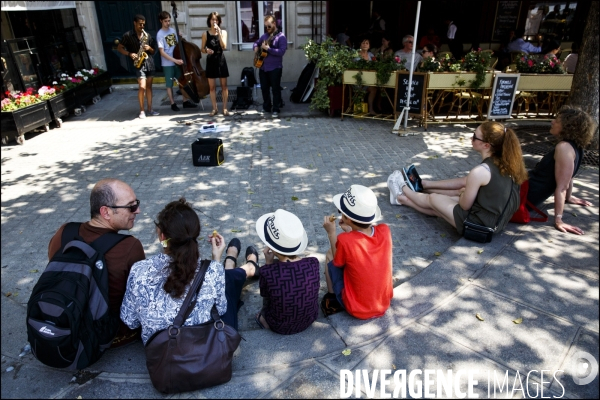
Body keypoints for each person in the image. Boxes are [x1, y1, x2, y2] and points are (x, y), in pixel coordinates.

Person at [120, 198, 259, 345]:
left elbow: (130, 321)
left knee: (224, 279)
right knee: (227, 287)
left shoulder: (138, 271)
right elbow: (221, 308)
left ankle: (240, 265)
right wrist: (216, 259)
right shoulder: (212, 270)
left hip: (162, 360)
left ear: (162, 237)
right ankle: (240, 265)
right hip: (206, 354)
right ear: (195, 235)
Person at [48, 179, 146, 347]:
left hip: (65, 319)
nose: (137, 210)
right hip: (110, 334)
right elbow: (141, 296)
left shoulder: (64, 232)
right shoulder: (130, 246)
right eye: (131, 206)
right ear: (106, 212)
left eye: (136, 204)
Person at [389, 122, 527, 237]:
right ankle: (403, 199)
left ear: (487, 145)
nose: (471, 139)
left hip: (477, 226)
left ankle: (402, 187)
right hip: (494, 223)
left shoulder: (480, 171)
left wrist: (462, 193)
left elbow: (465, 205)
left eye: (474, 137)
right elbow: (466, 182)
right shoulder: (507, 163)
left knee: (434, 199)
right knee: (441, 206)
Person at [321, 185, 393, 320]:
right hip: (383, 303)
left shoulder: (344, 240)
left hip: (357, 308)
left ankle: (332, 300)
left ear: (347, 219)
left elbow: (338, 262)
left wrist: (332, 233)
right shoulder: (385, 230)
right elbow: (361, 244)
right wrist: (351, 231)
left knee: (330, 254)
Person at [527, 106, 595, 235]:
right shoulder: (576, 146)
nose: (552, 122)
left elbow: (562, 187)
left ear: (568, 127)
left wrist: (558, 220)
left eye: (557, 121)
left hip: (526, 194)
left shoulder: (564, 147)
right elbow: (569, 176)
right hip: (528, 187)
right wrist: (569, 197)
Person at [253, 209, 320, 334]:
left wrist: (268, 264)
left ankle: (263, 321)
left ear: (271, 247)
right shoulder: (313, 263)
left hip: (281, 327)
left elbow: (266, 296)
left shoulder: (267, 272)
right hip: (310, 318)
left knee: (266, 307)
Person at [117, 14, 159, 119]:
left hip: (149, 63)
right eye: (140, 24)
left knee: (149, 87)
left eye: (143, 24)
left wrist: (149, 48)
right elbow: (119, 48)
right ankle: (142, 110)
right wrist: (129, 54)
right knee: (142, 86)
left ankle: (150, 109)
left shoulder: (147, 36)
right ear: (134, 23)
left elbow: (154, 51)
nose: (142, 26)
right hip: (138, 64)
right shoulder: (127, 35)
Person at [156, 11, 197, 112]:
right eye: (165, 21)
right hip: (168, 63)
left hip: (177, 61)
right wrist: (174, 60)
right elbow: (162, 52)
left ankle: (185, 101)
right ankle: (172, 103)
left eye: (169, 21)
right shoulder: (160, 34)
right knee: (169, 84)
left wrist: (180, 37)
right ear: (161, 21)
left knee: (182, 82)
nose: (168, 23)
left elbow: (176, 46)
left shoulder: (172, 30)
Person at [254, 14, 287, 119]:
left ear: (274, 24)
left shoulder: (281, 37)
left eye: (269, 26)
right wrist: (255, 48)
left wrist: (269, 49)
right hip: (263, 67)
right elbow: (256, 43)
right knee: (264, 88)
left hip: (275, 67)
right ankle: (267, 106)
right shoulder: (264, 36)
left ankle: (276, 108)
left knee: (275, 89)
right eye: (266, 26)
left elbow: (281, 52)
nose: (267, 28)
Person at [201, 12, 230, 117]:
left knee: (224, 86)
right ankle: (214, 108)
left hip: (220, 59)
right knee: (212, 87)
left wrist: (219, 34)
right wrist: (206, 50)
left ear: (219, 21)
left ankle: (225, 108)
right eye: (212, 19)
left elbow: (224, 46)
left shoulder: (224, 32)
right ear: (209, 21)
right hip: (211, 60)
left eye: (216, 20)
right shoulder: (205, 34)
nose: (214, 22)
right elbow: (202, 49)